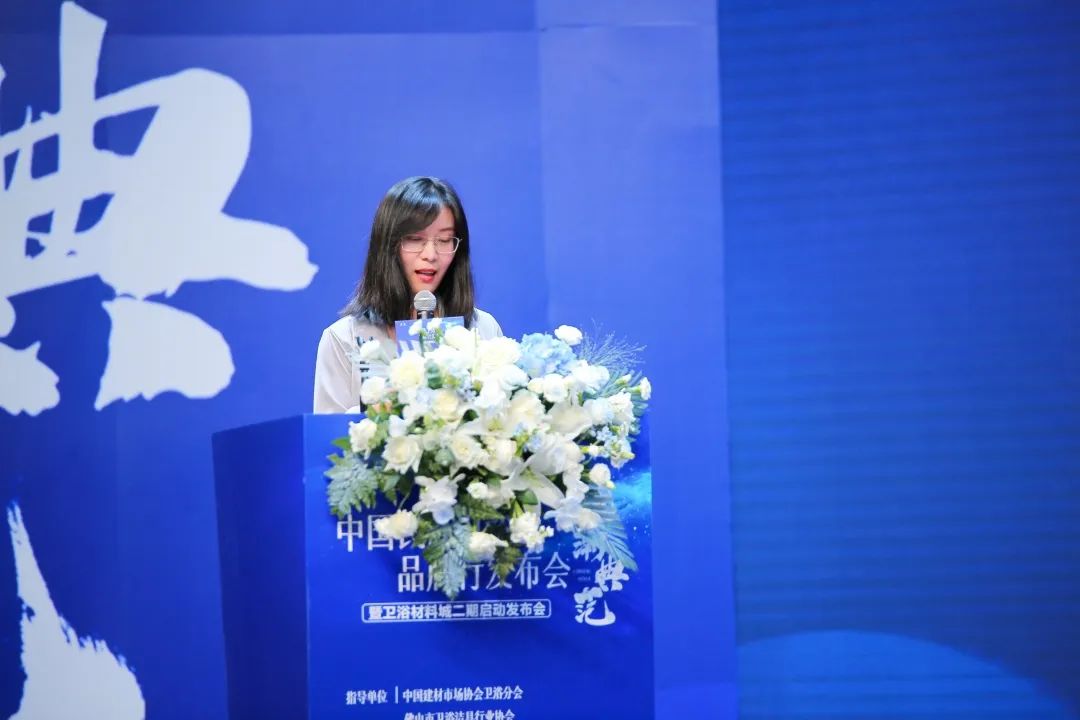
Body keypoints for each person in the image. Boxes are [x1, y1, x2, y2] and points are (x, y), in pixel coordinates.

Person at [313, 176, 502, 413]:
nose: (430, 254)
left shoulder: (481, 329)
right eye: (415, 239)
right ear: (388, 245)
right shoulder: (344, 339)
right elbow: (328, 434)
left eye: (444, 240)